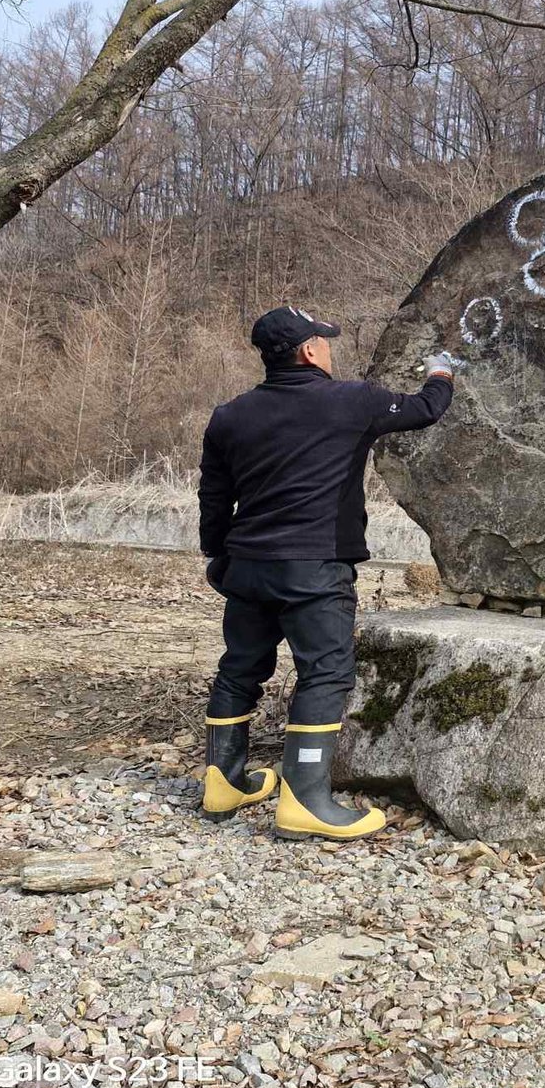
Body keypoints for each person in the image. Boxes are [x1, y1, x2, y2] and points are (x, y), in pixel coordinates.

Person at [197, 305, 454, 840]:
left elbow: (214, 497)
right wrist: (441, 372)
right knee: (326, 674)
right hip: (314, 567)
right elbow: (426, 409)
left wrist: (218, 557)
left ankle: (223, 784)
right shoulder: (352, 401)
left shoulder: (229, 415)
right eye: (324, 340)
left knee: (240, 668)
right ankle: (305, 800)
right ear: (309, 351)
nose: (328, 347)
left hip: (247, 566)